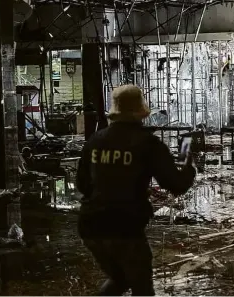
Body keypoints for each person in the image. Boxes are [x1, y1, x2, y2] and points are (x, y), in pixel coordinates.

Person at [76, 85, 196, 296]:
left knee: (121, 278)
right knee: (141, 285)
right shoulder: (147, 143)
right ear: (141, 111)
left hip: (90, 225)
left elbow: (82, 185)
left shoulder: (95, 141)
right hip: (124, 226)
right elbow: (176, 184)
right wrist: (188, 168)